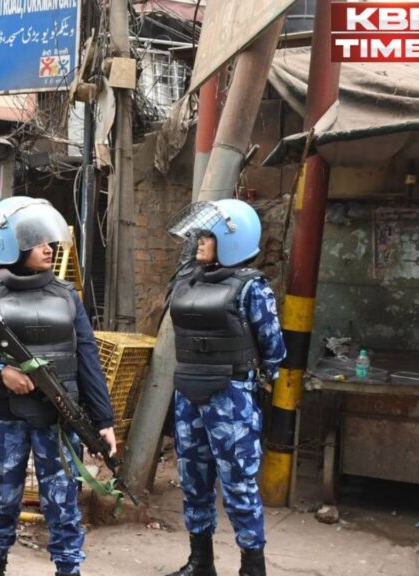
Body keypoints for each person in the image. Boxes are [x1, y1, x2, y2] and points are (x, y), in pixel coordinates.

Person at [0, 197, 117, 576]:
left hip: (59, 419)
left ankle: (68, 568)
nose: (47, 247)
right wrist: (1, 372)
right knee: (1, 501)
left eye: (47, 239)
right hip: (2, 418)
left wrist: (104, 420)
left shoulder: (67, 296)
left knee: (63, 503)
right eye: (35, 240)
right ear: (11, 244)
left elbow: (88, 359)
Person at [163, 199, 286, 576]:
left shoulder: (251, 288)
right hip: (188, 391)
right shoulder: (186, 280)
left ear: (233, 240)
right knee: (193, 480)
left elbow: (273, 347)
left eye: (208, 236)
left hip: (230, 395)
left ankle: (252, 567)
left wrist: (257, 380)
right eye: (199, 235)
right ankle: (201, 562)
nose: (199, 241)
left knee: (238, 484)